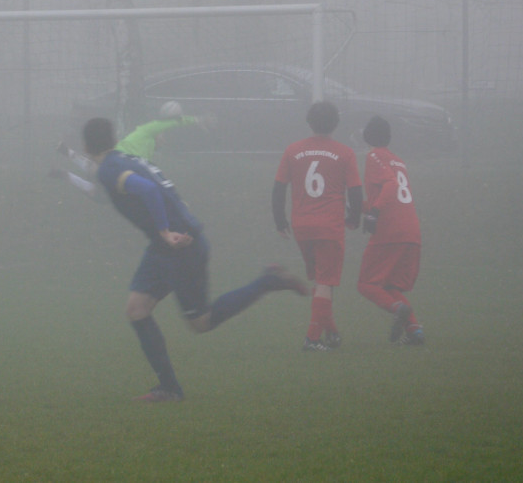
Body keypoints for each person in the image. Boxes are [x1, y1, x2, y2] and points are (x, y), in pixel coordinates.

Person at [82, 116, 309, 402]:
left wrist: (165, 230)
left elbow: (149, 190)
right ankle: (168, 388)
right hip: (169, 244)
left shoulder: (110, 169)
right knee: (137, 309)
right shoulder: (127, 158)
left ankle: (269, 281)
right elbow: (162, 190)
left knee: (201, 322)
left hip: (179, 245)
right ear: (112, 139)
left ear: (88, 146)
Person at [273, 100, 362, 351]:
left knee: (322, 280)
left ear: (309, 122)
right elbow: (355, 191)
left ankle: (332, 332)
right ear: (335, 124)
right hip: (329, 226)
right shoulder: (345, 153)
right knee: (325, 281)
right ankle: (312, 338)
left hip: (302, 225)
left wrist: (280, 220)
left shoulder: (293, 150)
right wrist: (354, 218)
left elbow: (279, 188)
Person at [356, 116, 424, 345]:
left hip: (390, 230)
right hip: (411, 230)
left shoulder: (374, 156)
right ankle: (414, 331)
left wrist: (373, 212)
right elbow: (390, 194)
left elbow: (390, 186)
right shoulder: (398, 160)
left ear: (367, 136)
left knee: (366, 284)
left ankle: (397, 309)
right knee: (390, 286)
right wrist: (359, 208)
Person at [52, 101, 207, 198]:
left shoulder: (147, 142)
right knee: (101, 193)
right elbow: (172, 123)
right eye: (163, 135)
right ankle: (67, 171)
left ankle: (67, 160)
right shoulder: (149, 131)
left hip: (114, 156)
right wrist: (196, 119)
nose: (164, 139)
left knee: (97, 177)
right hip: (118, 161)